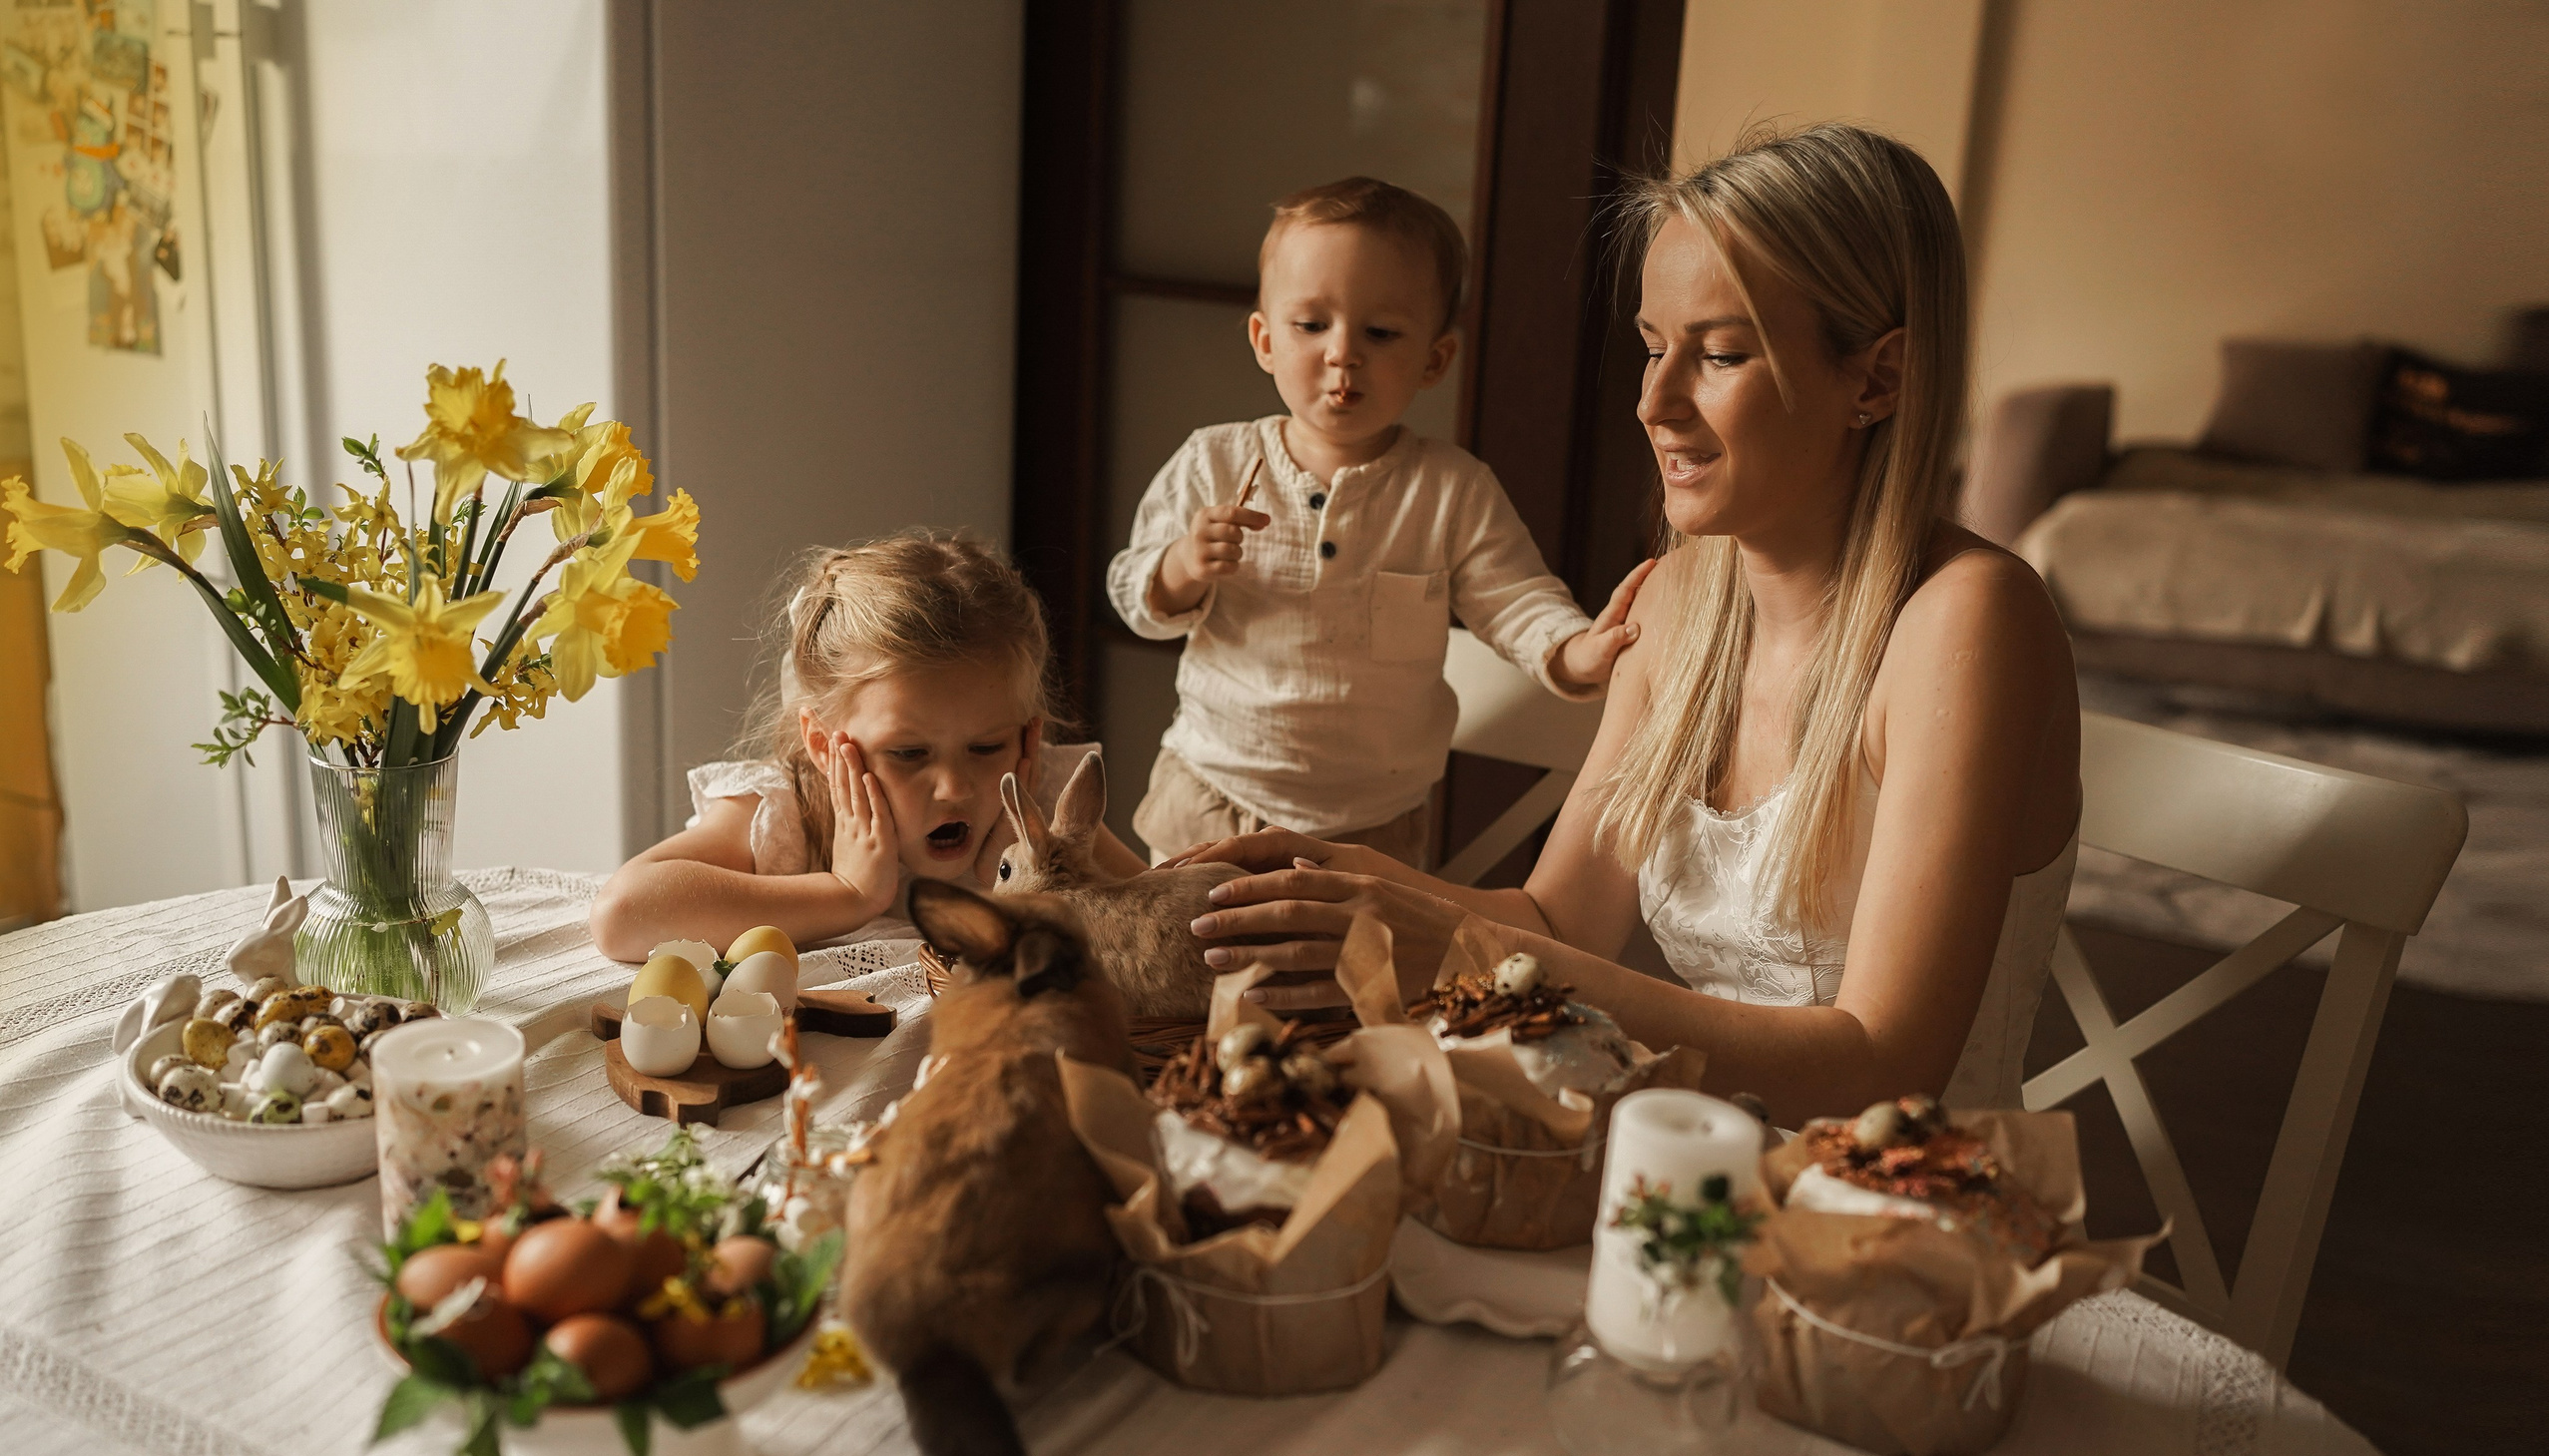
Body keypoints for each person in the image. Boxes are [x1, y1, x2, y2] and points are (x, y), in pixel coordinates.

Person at [1180, 125, 2082, 1128]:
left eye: (1722, 354)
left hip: (1914, 1226)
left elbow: (1881, 1065)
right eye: (1653, 348)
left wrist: (1461, 944)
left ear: (1874, 381)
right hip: (1693, 1184)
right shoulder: (1676, 603)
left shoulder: (1965, 624)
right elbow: (1560, 918)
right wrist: (1338, 878)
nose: (1653, 402)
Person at [1108, 176, 1648, 868]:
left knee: (1337, 979)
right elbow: (1131, 592)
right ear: (1264, 339)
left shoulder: (1451, 490)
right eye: (1311, 325)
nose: (1343, 353)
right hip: (1210, 791)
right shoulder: (1214, 460)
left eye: (1381, 332)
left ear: (1434, 359)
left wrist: (1574, 651)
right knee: (1175, 969)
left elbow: (1516, 600)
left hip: (1368, 829)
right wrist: (1181, 566)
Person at [590, 530, 1144, 960]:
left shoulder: (1033, 802)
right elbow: (623, 914)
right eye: (909, 754)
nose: (955, 787)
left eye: (986, 747)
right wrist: (846, 892)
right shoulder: (791, 813)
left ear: (1028, 734)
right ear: (825, 747)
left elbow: (1160, 916)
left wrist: (1026, 880)